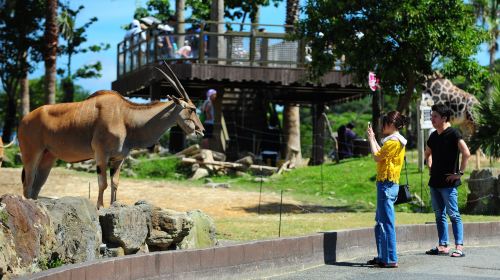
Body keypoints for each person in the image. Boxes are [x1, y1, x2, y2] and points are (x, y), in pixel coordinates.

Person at [424, 104, 471, 258]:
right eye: (432, 116)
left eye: (435, 116)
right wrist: (430, 166)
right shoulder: (433, 136)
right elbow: (428, 153)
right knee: (439, 215)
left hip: (449, 184)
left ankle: (459, 246)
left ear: (444, 118)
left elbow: (466, 153)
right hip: (435, 183)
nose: (432, 119)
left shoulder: (453, 133)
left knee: (454, 214)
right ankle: (443, 245)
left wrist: (459, 173)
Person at [366, 111, 408, 268]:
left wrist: (370, 139)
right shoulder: (394, 141)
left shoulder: (393, 142)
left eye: (384, 123)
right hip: (388, 184)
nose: (382, 126)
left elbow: (376, 157)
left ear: (391, 125)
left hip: (386, 185)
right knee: (381, 222)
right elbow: (381, 153)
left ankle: (390, 258)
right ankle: (383, 256)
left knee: (386, 223)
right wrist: (374, 139)